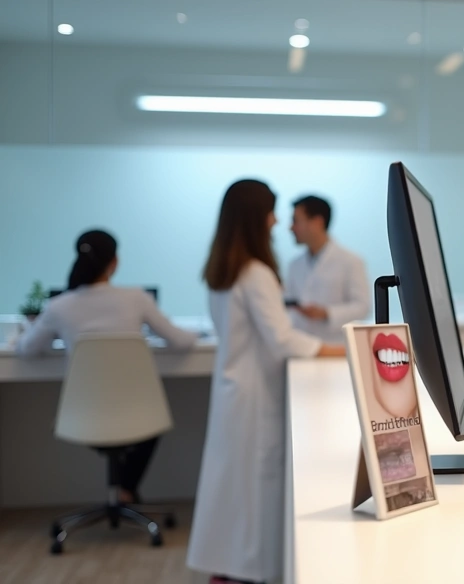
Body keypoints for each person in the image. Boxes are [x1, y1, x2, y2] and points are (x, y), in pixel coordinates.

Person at [187, 180, 345, 584]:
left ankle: (228, 567)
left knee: (231, 487)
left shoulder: (221, 270)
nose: (276, 221)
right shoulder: (256, 273)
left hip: (232, 394)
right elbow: (282, 339)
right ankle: (251, 571)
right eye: (272, 211)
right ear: (256, 216)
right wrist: (342, 351)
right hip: (256, 398)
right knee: (255, 491)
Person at [16, 229, 198, 504]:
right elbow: (181, 341)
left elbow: (26, 350)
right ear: (114, 262)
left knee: (133, 417)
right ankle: (126, 489)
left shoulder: (59, 307)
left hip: (81, 418)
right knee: (151, 414)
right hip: (141, 416)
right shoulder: (136, 299)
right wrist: (201, 331)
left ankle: (124, 491)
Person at [284, 195, 370, 345]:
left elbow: (363, 307)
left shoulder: (351, 261)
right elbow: (288, 308)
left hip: (336, 347)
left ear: (317, 222)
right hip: (301, 346)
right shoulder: (294, 265)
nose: (291, 228)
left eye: (296, 221)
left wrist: (326, 313)